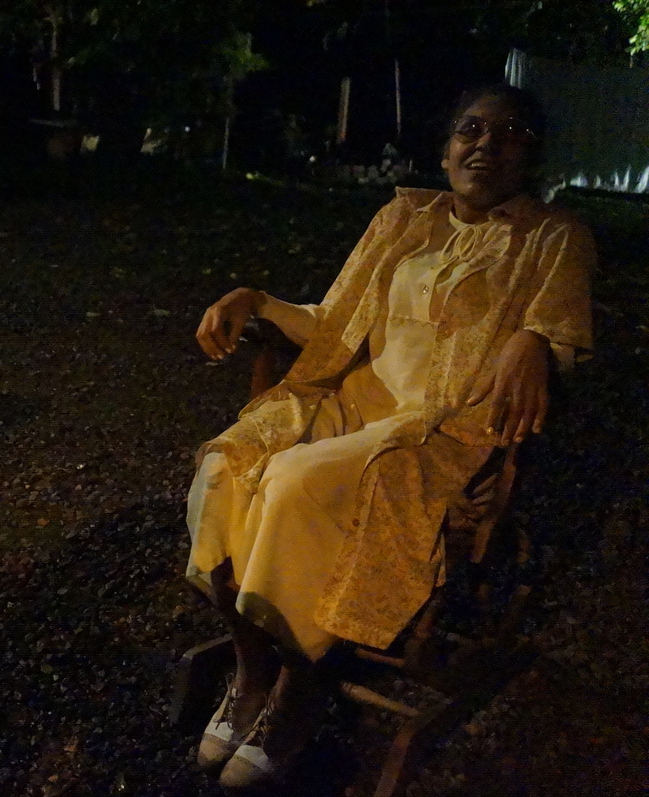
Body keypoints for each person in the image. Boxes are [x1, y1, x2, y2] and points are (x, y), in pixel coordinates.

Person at [186, 84, 593, 794]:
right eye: (471, 128)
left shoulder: (553, 237)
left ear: (533, 156)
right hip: (349, 405)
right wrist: (258, 300)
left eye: (509, 133)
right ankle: (251, 670)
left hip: (436, 428)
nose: (486, 145)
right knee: (224, 467)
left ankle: (299, 688)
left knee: (293, 481)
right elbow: (336, 320)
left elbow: (561, 341)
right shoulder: (404, 217)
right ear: (446, 147)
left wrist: (534, 338)